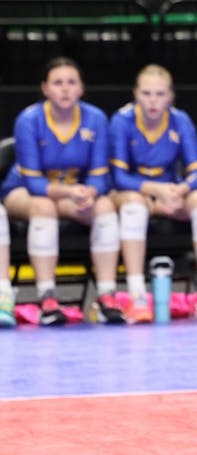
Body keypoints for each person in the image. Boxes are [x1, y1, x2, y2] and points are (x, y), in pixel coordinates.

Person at [1, 58, 123, 326]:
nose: (65, 89)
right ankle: (47, 298)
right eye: (58, 83)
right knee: (43, 206)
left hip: (72, 193)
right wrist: (71, 192)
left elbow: (101, 175)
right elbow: (33, 183)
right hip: (24, 192)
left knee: (104, 207)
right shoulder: (29, 120)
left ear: (81, 89)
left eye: (72, 82)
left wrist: (90, 191)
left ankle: (106, 296)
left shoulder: (96, 119)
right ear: (45, 88)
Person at [108, 64, 197, 323]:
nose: (153, 101)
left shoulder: (180, 120)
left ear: (171, 96)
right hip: (133, 191)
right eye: (147, 94)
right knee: (134, 206)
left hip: (171, 192)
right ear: (136, 94)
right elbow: (119, 177)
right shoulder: (121, 121)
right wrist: (156, 191)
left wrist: (181, 189)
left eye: (160, 94)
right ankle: (137, 295)